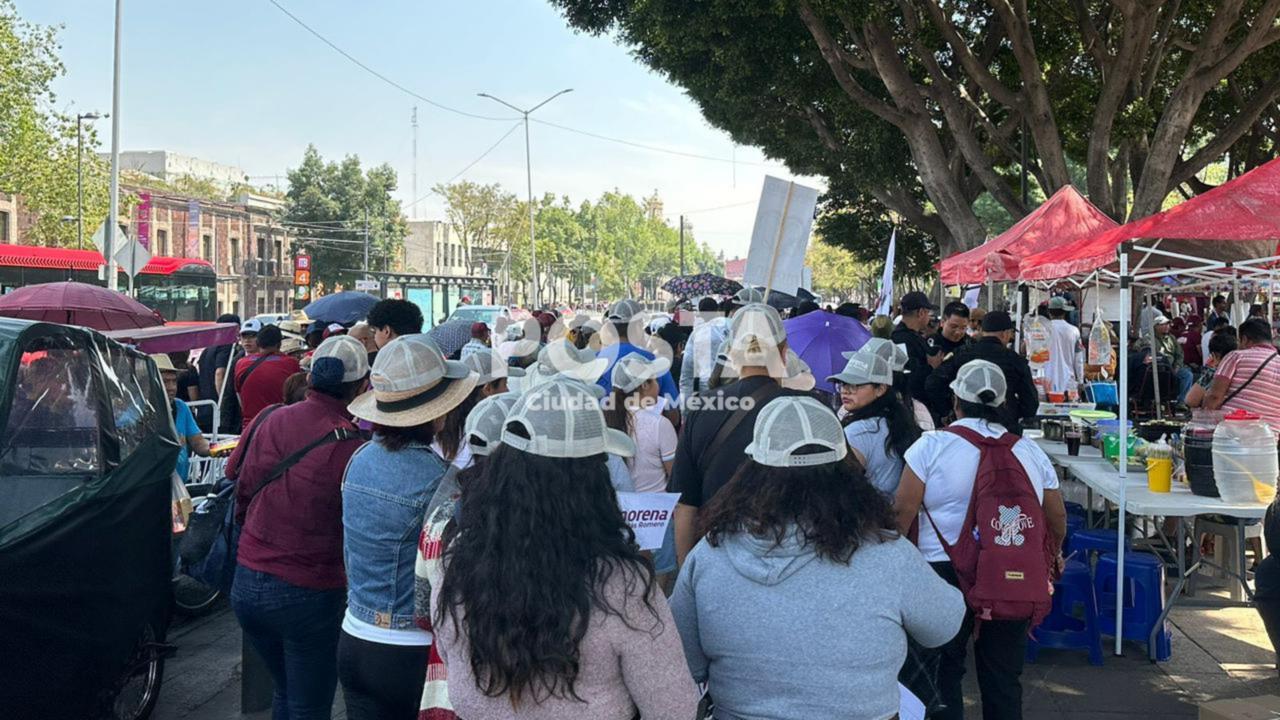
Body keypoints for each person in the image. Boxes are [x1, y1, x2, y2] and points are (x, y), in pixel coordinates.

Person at [670, 396, 964, 720]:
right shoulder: (887, 554)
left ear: (752, 471)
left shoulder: (709, 556)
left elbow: (683, 660)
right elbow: (944, 625)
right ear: (847, 471)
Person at [431, 380, 699, 719]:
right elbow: (674, 708)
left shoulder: (457, 562)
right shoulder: (622, 585)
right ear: (593, 479)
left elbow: (451, 661)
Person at [894, 360, 1067, 720]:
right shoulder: (1028, 451)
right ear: (1002, 403)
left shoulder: (931, 446)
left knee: (944, 674)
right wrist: (1052, 555)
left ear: (956, 399)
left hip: (940, 574)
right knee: (1003, 676)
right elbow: (1056, 516)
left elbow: (902, 512)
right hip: (1009, 571)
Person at [227, 336, 370, 720]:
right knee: (308, 704)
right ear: (361, 386)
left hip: (247, 581)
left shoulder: (269, 417)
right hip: (309, 591)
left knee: (286, 692)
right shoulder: (353, 447)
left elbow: (238, 482)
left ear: (309, 376)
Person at [340, 334, 478, 720]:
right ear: (439, 411)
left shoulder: (359, 458)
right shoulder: (442, 480)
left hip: (355, 631)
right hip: (410, 648)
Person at [670, 302, 805, 564]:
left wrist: (689, 572)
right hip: (795, 562)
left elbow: (685, 506)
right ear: (784, 352)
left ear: (731, 354)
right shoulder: (807, 409)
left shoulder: (700, 408)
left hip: (718, 559)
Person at [925, 311, 1039, 434]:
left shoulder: (962, 354)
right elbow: (1030, 404)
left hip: (965, 429)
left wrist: (947, 410)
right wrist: (1012, 411)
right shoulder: (1016, 361)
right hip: (1004, 429)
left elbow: (933, 383)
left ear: (982, 331)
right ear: (1006, 334)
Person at [829, 346, 921, 496]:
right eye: (843, 384)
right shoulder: (898, 421)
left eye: (855, 385)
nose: (845, 391)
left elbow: (841, 488)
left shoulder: (857, 432)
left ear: (881, 389)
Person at [1205, 318, 1280, 433]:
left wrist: (1204, 420)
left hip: (1233, 434)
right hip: (1268, 439)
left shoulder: (1235, 357)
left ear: (1244, 339)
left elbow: (1215, 396)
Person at [596, 298, 678, 400]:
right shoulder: (653, 360)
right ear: (638, 326)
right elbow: (672, 408)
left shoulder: (594, 361)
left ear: (610, 328)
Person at [234, 323, 303, 431]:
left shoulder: (241, 363)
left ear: (258, 342)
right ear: (279, 344)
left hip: (250, 429)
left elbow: (240, 398)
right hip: (281, 427)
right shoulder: (291, 363)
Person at [154, 354, 209, 483]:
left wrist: (220, 448)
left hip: (179, 485)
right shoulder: (138, 410)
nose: (172, 387)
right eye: (165, 381)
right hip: (150, 488)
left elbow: (199, 444)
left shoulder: (180, 407)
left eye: (174, 381)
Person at [892, 291, 941, 415]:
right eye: (928, 313)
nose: (929, 318)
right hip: (912, 407)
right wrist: (931, 366)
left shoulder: (913, 336)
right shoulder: (901, 339)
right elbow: (905, 374)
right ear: (921, 313)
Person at [196, 313, 243, 433]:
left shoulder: (207, 349)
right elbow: (220, 373)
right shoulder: (227, 347)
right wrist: (223, 404)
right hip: (217, 409)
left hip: (204, 408)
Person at [680, 296, 731, 401]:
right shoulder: (731, 325)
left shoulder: (696, 333)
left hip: (706, 394)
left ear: (701, 313)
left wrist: (686, 412)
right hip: (733, 391)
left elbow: (686, 375)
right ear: (717, 310)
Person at [1142, 313, 1193, 403]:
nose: (1167, 326)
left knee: (1187, 374)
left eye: (1167, 324)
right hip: (1157, 369)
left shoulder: (1171, 338)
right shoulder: (1148, 338)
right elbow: (1141, 351)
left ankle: (1181, 402)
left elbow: (1179, 354)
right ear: (1156, 326)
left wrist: (1177, 366)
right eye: (1163, 324)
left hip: (1172, 368)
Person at [1187, 329, 1238, 409]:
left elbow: (1191, 400)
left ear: (1214, 355)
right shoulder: (1243, 369)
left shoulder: (1213, 373)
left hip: (1218, 416)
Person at [1043, 296, 1082, 394]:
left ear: (1049, 312)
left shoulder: (1042, 330)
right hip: (1068, 382)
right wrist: (1080, 380)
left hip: (1045, 381)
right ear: (1065, 312)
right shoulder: (1074, 331)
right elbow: (1079, 359)